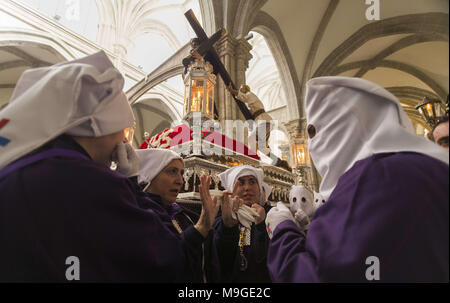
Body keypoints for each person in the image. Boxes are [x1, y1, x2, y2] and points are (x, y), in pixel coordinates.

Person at [0, 51, 192, 282]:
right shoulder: (93, 182)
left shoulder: (17, 167)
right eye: (122, 131)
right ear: (101, 128)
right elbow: (167, 255)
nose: (123, 141)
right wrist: (131, 184)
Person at [265, 76, 449, 282]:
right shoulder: (431, 169)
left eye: (315, 132)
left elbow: (322, 275)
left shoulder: (372, 178)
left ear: (340, 129)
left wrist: (283, 231)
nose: (312, 146)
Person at [135, 148, 220, 282]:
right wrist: (200, 228)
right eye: (172, 171)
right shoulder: (137, 215)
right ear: (150, 174)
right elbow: (163, 262)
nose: (180, 181)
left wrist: (228, 227)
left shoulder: (184, 215)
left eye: (181, 173)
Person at [213, 165, 272, 282]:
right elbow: (218, 261)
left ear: (259, 189)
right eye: (240, 183)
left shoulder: (272, 216)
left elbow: (275, 260)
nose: (247, 188)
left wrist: (261, 226)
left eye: (252, 182)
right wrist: (228, 227)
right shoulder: (221, 220)